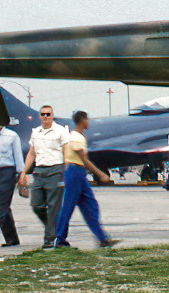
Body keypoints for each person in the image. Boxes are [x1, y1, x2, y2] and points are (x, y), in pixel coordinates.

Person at [54, 110, 118, 249]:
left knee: (90, 205)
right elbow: (84, 159)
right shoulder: (76, 137)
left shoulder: (77, 136)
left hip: (78, 173)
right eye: (87, 119)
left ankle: (102, 238)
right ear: (82, 121)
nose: (88, 122)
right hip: (74, 172)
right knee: (68, 206)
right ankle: (59, 238)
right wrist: (100, 174)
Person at [20, 105, 71, 249]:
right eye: (43, 114)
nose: (46, 117)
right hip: (39, 170)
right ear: (40, 116)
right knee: (36, 205)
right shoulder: (36, 132)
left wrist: (66, 171)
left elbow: (66, 152)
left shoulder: (61, 131)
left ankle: (48, 239)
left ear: (52, 115)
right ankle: (55, 231)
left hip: (56, 169)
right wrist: (24, 171)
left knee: (53, 206)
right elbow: (32, 152)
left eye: (48, 114)